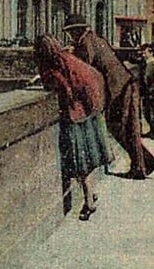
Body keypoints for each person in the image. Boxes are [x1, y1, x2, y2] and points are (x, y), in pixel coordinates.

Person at [64, 13, 154, 179]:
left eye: (70, 33)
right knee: (127, 128)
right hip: (125, 84)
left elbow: (84, 66)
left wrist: (69, 55)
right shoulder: (96, 39)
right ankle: (146, 162)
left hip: (120, 89)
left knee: (121, 128)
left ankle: (140, 166)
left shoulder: (86, 43)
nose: (70, 36)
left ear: (77, 31)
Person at [33, 35, 111, 221]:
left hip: (74, 117)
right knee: (85, 160)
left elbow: (61, 86)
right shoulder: (67, 58)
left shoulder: (53, 67)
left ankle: (88, 202)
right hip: (87, 113)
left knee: (79, 163)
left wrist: (43, 79)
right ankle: (90, 193)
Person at [137, 44, 154, 140]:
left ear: (151, 53)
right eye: (143, 53)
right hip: (147, 92)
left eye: (145, 53)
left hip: (152, 93)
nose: (144, 55)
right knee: (148, 113)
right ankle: (153, 131)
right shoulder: (146, 63)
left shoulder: (153, 64)